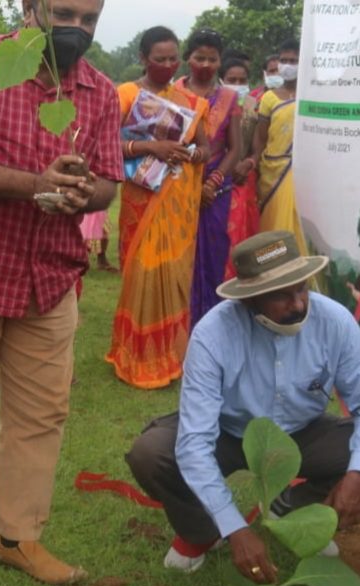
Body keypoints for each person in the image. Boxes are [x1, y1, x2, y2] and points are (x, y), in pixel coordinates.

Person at [126, 231, 360, 579]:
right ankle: (203, 531)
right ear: (249, 299)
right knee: (152, 452)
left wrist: (357, 475)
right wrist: (237, 529)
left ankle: (294, 512)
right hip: (230, 434)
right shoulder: (212, 336)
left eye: (302, 288)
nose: (298, 304)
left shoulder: (334, 322)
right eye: (281, 295)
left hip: (302, 431)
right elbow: (195, 444)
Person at [0, 0, 123, 586]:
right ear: (30, 7)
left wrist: (84, 191)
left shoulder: (99, 90)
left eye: (90, 19)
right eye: (63, 12)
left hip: (50, 278)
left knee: (41, 414)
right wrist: (36, 184)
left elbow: (110, 180)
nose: (76, 28)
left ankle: (18, 538)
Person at [105, 26, 210, 389]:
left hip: (177, 203)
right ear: (143, 58)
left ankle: (172, 354)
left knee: (175, 276)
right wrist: (150, 149)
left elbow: (205, 150)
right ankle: (136, 355)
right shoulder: (126, 94)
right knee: (144, 274)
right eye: (159, 59)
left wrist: (190, 153)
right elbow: (105, 145)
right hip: (143, 202)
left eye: (173, 58)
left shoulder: (189, 101)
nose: (168, 64)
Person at [175, 28, 241, 328]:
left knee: (213, 256)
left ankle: (209, 325)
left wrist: (213, 182)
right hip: (176, 186)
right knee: (177, 258)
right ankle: (175, 322)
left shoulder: (229, 97)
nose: (205, 64)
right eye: (199, 57)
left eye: (212, 59)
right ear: (188, 58)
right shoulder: (174, 92)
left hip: (216, 191)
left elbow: (235, 147)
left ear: (219, 61)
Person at [251, 39, 308, 254]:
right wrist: (255, 162)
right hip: (272, 170)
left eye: (293, 60)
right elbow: (260, 137)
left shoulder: (311, 95)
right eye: (283, 60)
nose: (287, 65)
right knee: (273, 224)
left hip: (301, 170)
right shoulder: (268, 98)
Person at [218, 58, 260, 279]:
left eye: (242, 80)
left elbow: (257, 148)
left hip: (245, 180)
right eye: (232, 80)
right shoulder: (213, 104)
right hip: (218, 179)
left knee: (244, 234)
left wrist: (249, 163)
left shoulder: (253, 106)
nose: (237, 83)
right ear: (221, 80)